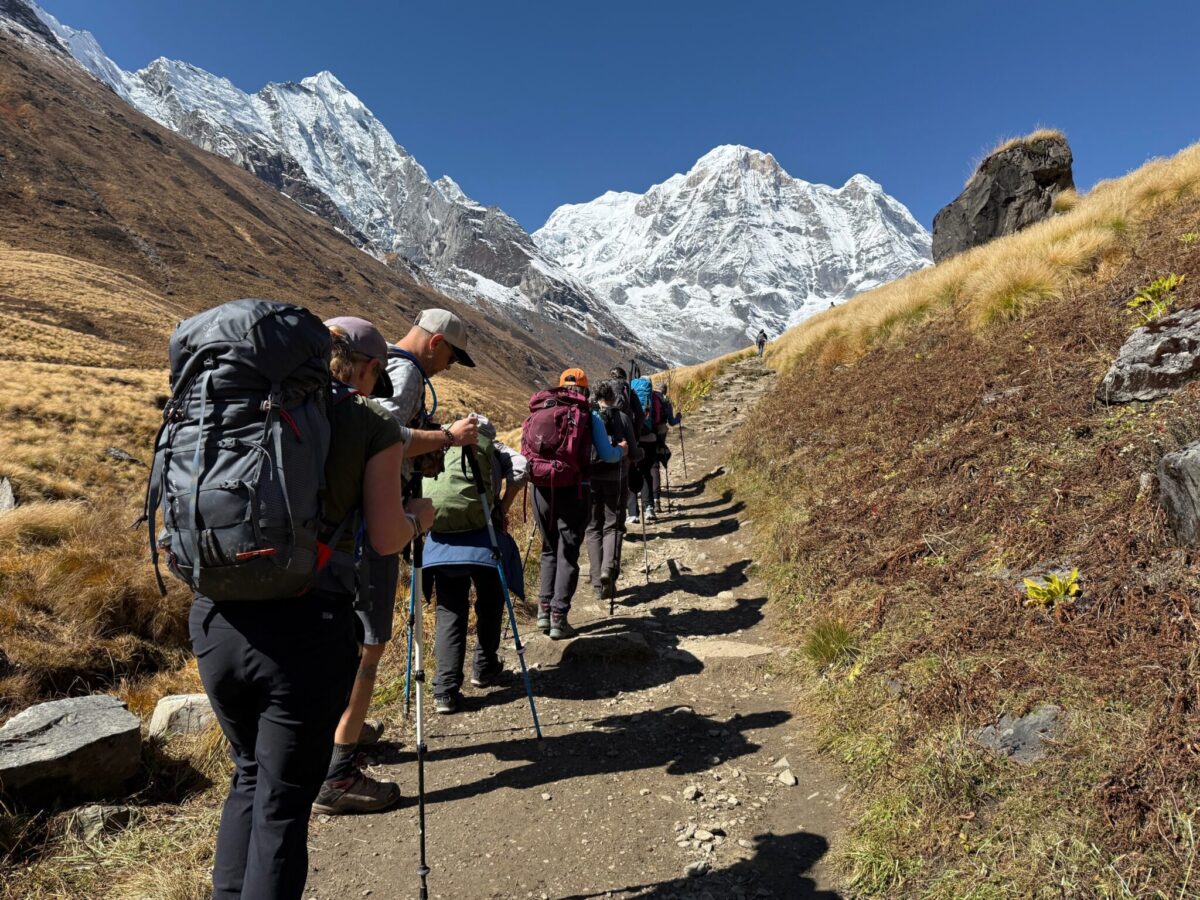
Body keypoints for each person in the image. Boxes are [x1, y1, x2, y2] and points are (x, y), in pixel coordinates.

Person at [191, 314, 433, 897]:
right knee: (282, 809)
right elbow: (384, 537)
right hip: (304, 627)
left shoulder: (237, 405)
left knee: (248, 778)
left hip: (215, 617)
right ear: (372, 367)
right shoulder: (365, 419)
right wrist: (419, 517)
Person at [316, 308, 480, 814]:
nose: (449, 367)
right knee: (370, 640)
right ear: (435, 344)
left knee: (338, 638)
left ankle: (344, 730)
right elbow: (385, 437)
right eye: (451, 356)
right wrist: (447, 438)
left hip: (322, 536)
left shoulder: (318, 390)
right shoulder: (405, 373)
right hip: (366, 531)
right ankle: (338, 768)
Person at [421, 415, 529, 714]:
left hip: (441, 542)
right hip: (484, 537)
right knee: (491, 602)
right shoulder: (492, 447)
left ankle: (444, 691)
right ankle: (484, 666)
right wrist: (504, 506)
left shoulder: (441, 445)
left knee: (450, 612)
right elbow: (520, 470)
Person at [527, 369, 625, 639]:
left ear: (560, 386)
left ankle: (543, 613)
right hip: (574, 489)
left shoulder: (542, 407)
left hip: (541, 489)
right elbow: (607, 454)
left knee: (548, 549)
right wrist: (622, 451)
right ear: (585, 388)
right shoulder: (587, 414)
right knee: (567, 552)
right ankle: (559, 617)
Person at [586, 381, 640, 601]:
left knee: (592, 529)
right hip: (616, 477)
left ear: (596, 397)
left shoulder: (589, 418)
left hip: (590, 478)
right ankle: (609, 569)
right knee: (614, 525)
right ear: (614, 397)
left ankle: (598, 582)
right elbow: (634, 452)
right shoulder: (623, 418)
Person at [651, 387, 682, 513]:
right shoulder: (665, 401)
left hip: (646, 432)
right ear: (665, 391)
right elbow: (672, 422)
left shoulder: (648, 398)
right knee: (655, 465)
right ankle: (656, 501)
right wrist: (679, 417)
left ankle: (646, 501)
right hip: (661, 431)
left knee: (647, 464)